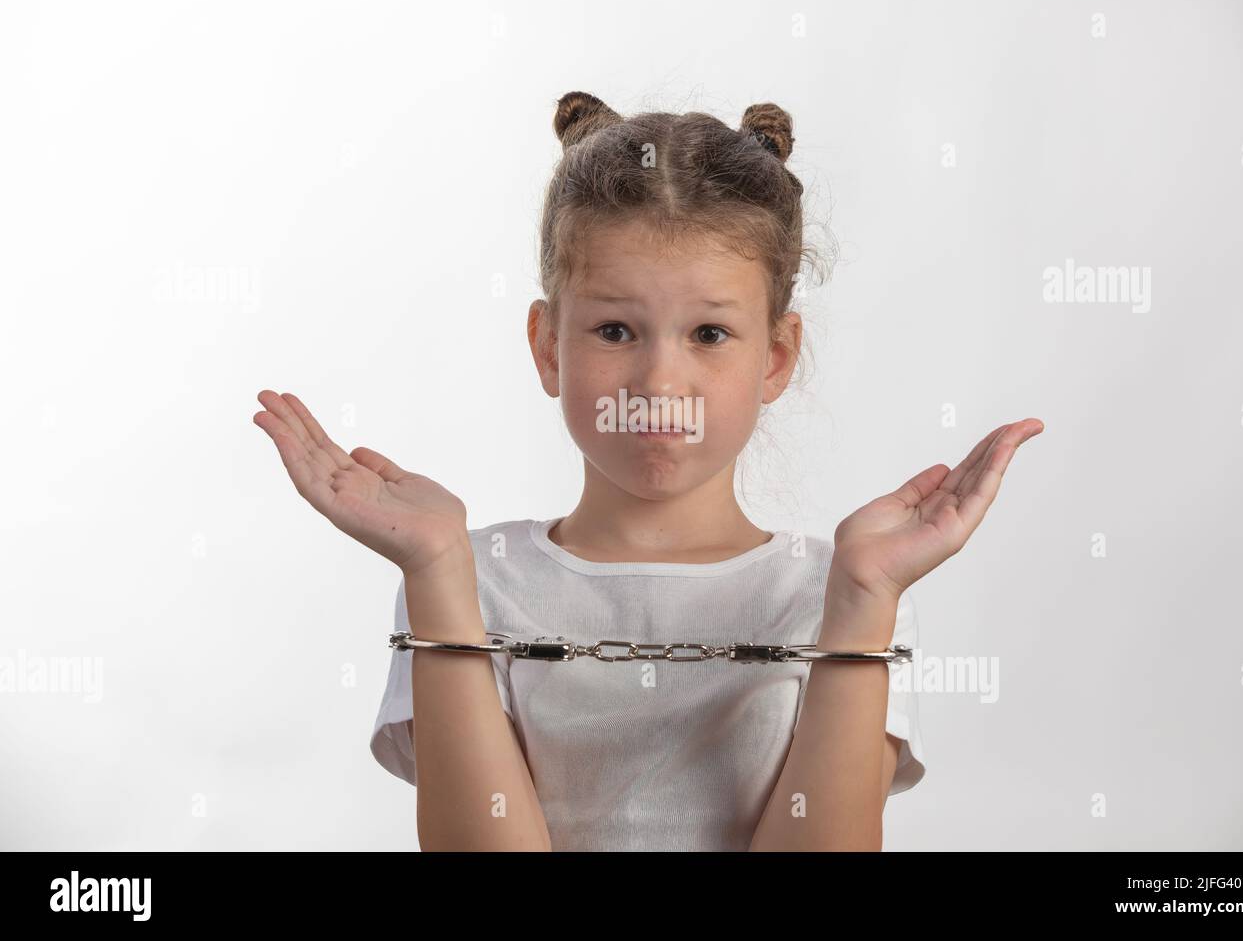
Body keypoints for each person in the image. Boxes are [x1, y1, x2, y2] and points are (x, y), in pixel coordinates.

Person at [252, 90, 1043, 851]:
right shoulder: (474, 581)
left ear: (775, 357)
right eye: (616, 329)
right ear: (549, 345)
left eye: (708, 333)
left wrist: (866, 598)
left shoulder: (838, 592)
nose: (660, 384)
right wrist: (434, 572)